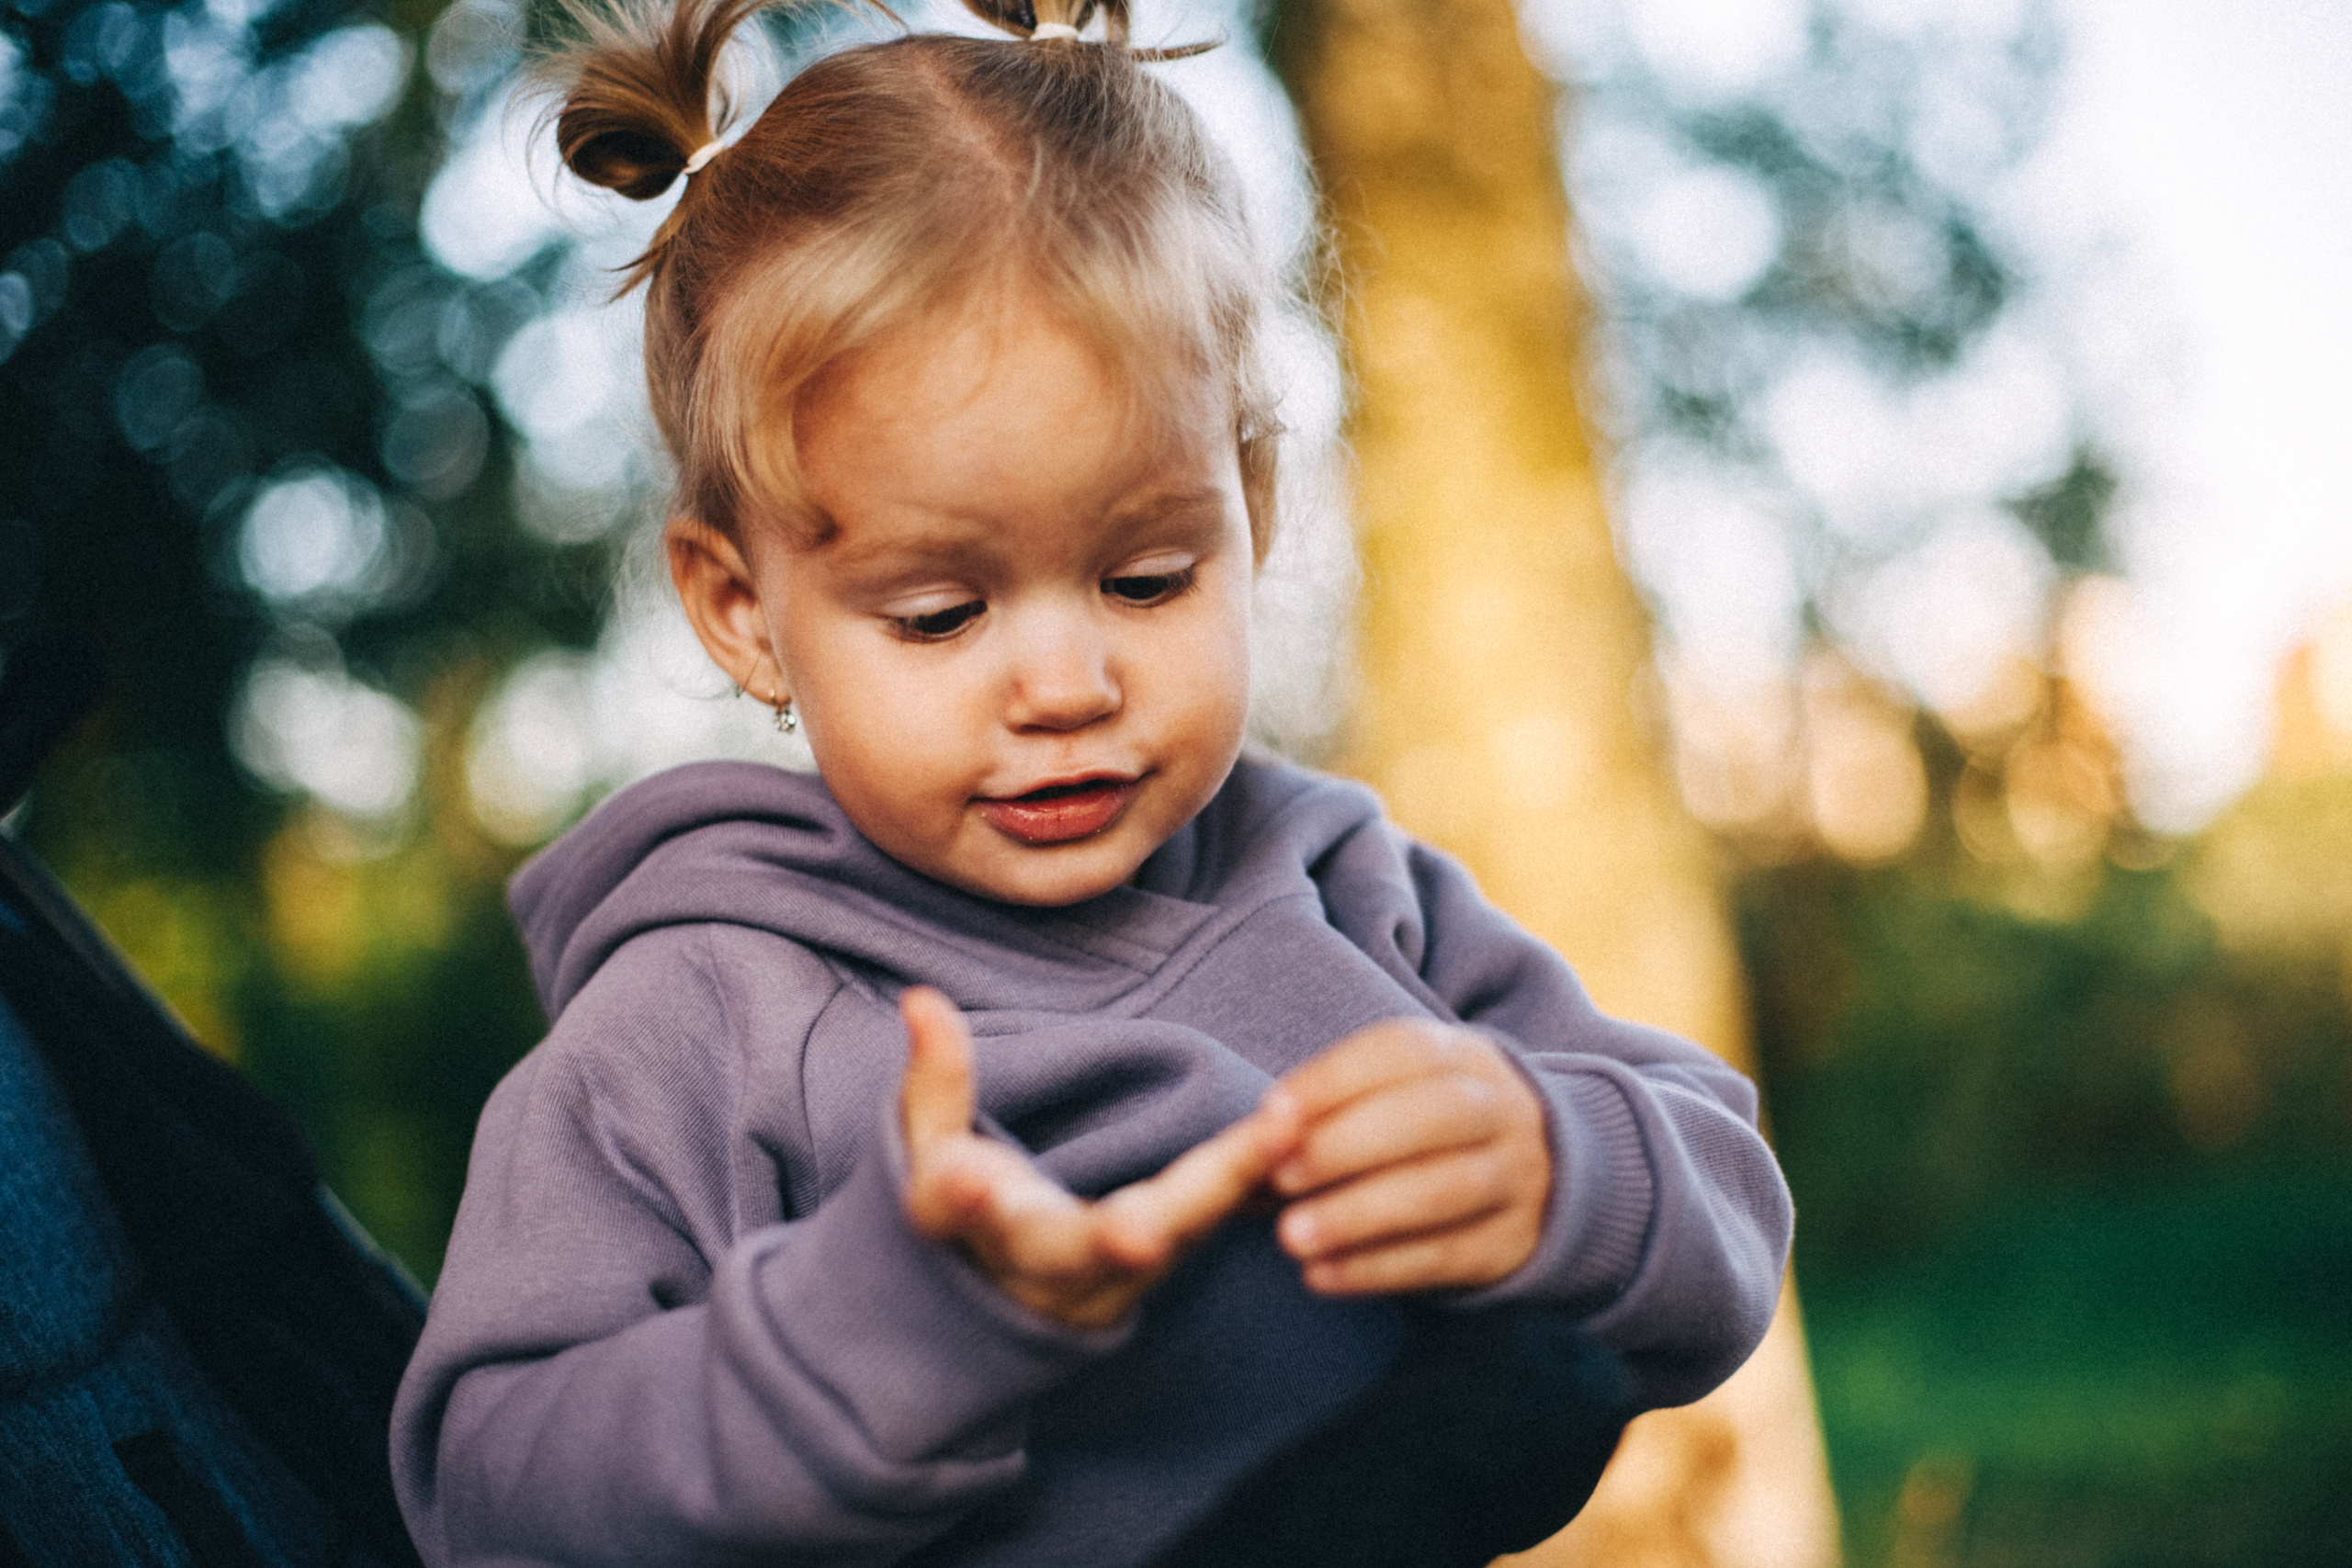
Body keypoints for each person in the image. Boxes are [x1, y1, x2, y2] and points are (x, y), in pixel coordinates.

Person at [389, 1, 1794, 1564]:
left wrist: (1558, 1164)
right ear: (743, 612)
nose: (1066, 688)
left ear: (1248, 508)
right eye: (940, 614)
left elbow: (1724, 1196)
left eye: (1143, 578)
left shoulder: (1341, 877)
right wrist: (885, 1327)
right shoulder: (702, 1017)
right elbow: (487, 1492)